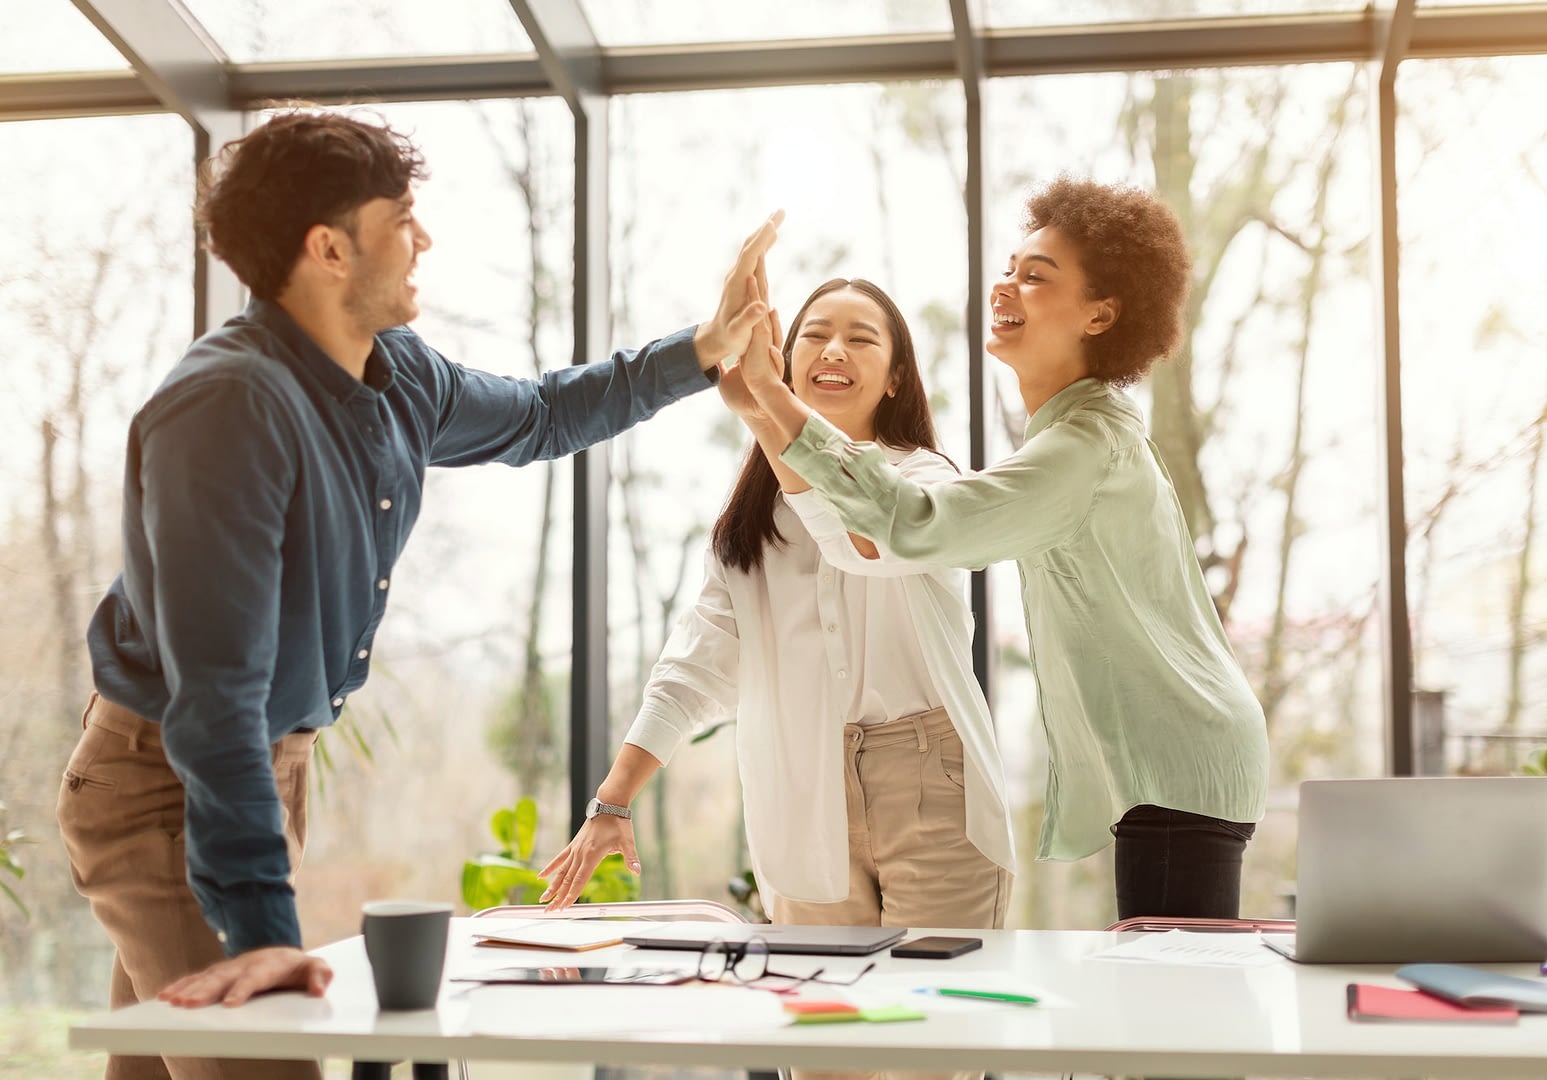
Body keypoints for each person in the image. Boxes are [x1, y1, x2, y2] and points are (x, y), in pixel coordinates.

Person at [54, 107, 780, 1080]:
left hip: (260, 774)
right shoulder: (227, 409)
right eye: (400, 217)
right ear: (327, 249)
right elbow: (213, 706)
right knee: (262, 1059)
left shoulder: (396, 373)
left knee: (167, 1064)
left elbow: (538, 414)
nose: (422, 238)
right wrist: (270, 935)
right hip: (166, 785)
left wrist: (701, 346)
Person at [730, 177, 1270, 923]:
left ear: (1101, 313)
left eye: (1035, 276)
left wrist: (769, 390)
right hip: (1170, 763)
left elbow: (916, 522)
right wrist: (763, 404)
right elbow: (871, 536)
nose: (1006, 286)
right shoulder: (1073, 432)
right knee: (1165, 990)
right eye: (1009, 268)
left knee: (1174, 1000)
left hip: (1178, 760)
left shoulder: (1083, 446)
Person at [537, 278, 1016, 946]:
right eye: (814, 335)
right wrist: (611, 801)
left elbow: (866, 540)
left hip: (932, 778)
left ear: (895, 378)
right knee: (821, 1038)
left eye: (860, 337)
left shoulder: (927, 483)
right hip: (798, 784)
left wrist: (766, 416)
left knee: (934, 1035)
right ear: (786, 363)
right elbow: (694, 668)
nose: (834, 350)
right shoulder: (748, 527)